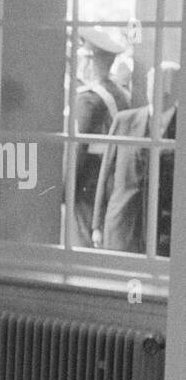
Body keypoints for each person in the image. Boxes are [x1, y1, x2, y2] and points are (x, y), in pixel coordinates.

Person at [92, 62, 178, 256]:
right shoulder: (124, 121)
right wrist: (96, 225)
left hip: (168, 239)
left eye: (166, 86)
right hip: (122, 230)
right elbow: (106, 174)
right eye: (153, 84)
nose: (158, 91)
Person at [73, 28, 131, 248]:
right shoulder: (122, 94)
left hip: (87, 186)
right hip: (112, 183)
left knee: (82, 244)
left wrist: (65, 191)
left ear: (89, 61)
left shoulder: (89, 100)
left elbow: (77, 151)